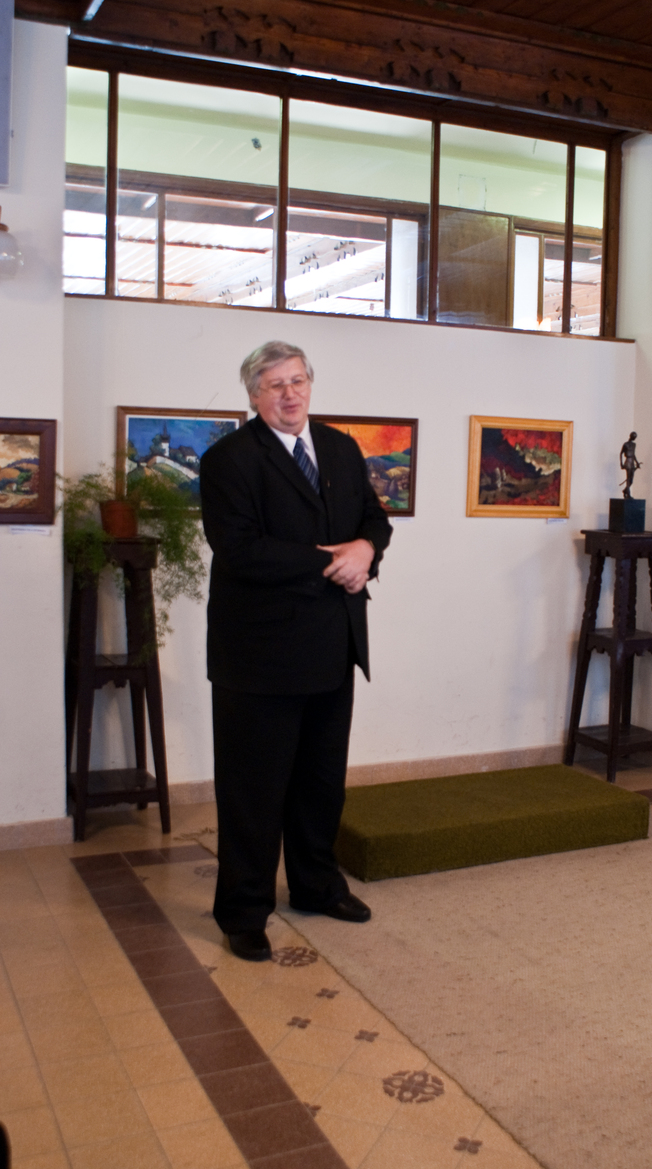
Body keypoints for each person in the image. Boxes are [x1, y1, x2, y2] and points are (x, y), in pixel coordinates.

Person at [200, 340, 392, 962]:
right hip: (259, 656)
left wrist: (366, 550)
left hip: (333, 645)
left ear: (310, 383)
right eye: (275, 384)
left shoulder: (339, 447)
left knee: (320, 784)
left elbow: (374, 519)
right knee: (252, 794)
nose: (290, 394)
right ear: (254, 394)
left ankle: (316, 886)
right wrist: (335, 562)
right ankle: (243, 911)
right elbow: (239, 549)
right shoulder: (229, 459)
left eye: (298, 380)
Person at [619, 431, 641, 498]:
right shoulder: (625, 444)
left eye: (635, 437)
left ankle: (625, 490)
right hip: (628, 462)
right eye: (634, 437)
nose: (634, 438)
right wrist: (621, 464)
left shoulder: (634, 444)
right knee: (628, 479)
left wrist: (637, 462)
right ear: (631, 436)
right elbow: (621, 453)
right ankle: (628, 494)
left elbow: (633, 454)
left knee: (631, 480)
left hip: (632, 463)